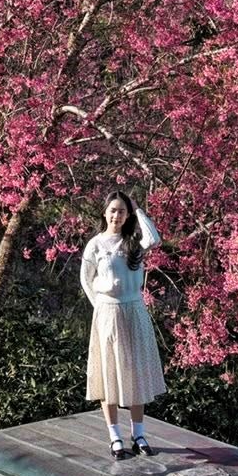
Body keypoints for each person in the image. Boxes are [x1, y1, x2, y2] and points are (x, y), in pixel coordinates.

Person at [79, 191, 166, 460]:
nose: (117, 215)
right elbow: (86, 279)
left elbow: (154, 239)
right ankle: (115, 436)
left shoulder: (134, 243)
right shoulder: (95, 245)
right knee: (109, 373)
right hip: (107, 313)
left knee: (135, 371)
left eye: (122, 211)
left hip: (134, 310)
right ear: (105, 213)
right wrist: (101, 307)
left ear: (127, 216)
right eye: (113, 210)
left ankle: (138, 433)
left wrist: (138, 210)